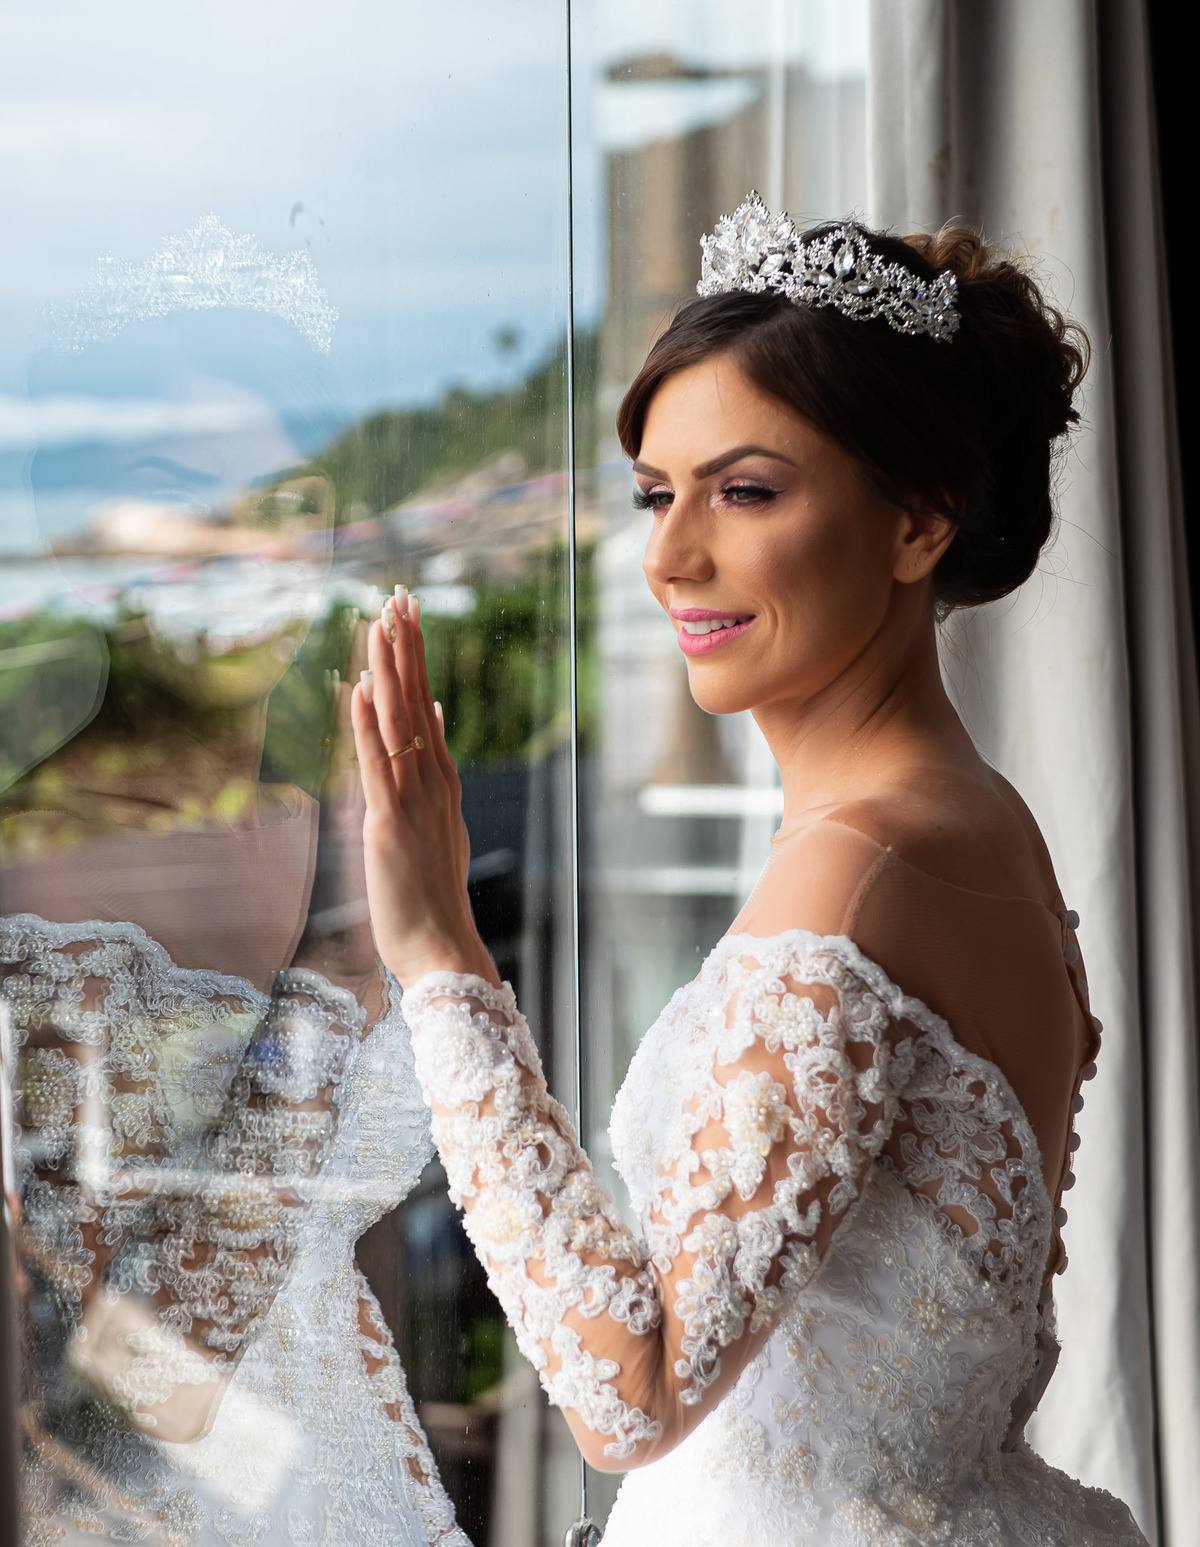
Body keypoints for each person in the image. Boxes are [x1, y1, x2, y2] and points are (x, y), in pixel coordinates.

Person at [349, 196, 1148, 1545]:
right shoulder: (975, 819)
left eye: (747, 490)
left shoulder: (861, 868)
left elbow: (634, 1393)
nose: (669, 557)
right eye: (657, 493)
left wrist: (442, 965)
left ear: (920, 522)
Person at [2, 265, 469, 1546]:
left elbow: (345, 1256)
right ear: (77, 533)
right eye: (180, 496)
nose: (244, 550)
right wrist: (337, 962)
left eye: (287, 505)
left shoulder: (345, 828)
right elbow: (115, 1383)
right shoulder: (32, 879)